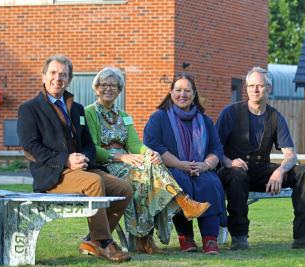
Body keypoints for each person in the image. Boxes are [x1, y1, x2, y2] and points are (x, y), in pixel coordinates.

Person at [17, 55, 133, 263]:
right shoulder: (29, 108)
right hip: (54, 175)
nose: (57, 78)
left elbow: (88, 144)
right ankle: (105, 243)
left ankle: (93, 240)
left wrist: (84, 158)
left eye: (63, 74)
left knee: (124, 190)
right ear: (44, 76)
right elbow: (30, 148)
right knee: (94, 182)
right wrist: (66, 160)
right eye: (53, 73)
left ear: (69, 79)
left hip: (82, 170)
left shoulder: (77, 108)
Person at [84, 67, 210, 254]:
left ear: (120, 90)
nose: (108, 88)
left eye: (113, 85)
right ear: (96, 88)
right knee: (145, 179)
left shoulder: (124, 116)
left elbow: (135, 144)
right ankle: (181, 202)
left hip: (130, 162)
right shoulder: (90, 112)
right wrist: (121, 156)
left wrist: (150, 153)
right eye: (104, 85)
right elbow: (92, 147)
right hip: (106, 164)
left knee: (150, 170)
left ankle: (144, 240)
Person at [215, 66, 305, 251]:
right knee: (237, 175)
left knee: (301, 172)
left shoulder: (275, 117)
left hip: (260, 170)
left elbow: (291, 156)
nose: (255, 90)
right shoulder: (231, 113)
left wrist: (280, 170)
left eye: (259, 86)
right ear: (246, 88)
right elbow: (214, 148)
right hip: (231, 171)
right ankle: (239, 237)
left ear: (268, 88)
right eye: (251, 86)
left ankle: (304, 236)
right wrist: (229, 162)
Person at [143, 73, 226, 255]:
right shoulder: (159, 117)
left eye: (187, 90)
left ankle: (210, 239)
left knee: (210, 183)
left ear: (194, 93)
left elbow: (216, 148)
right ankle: (186, 237)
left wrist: (205, 165)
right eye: (178, 90)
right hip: (172, 169)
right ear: (171, 92)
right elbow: (152, 144)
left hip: (201, 170)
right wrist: (180, 164)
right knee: (180, 182)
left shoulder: (205, 121)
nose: (183, 94)